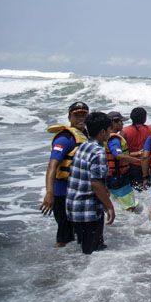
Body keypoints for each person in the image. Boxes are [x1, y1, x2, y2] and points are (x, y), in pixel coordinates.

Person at [40, 101, 89, 247]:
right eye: (77, 115)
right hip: (62, 193)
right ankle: (58, 258)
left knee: (79, 233)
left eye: (84, 115)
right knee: (64, 235)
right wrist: (50, 193)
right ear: (69, 117)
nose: (81, 118)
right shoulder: (64, 138)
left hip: (78, 192)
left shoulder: (85, 135)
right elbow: (52, 165)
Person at [66, 111, 115, 254]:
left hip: (74, 206)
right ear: (102, 132)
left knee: (85, 251)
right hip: (88, 209)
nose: (110, 132)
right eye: (109, 129)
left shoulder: (83, 145)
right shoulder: (98, 152)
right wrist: (110, 206)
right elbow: (96, 184)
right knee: (93, 251)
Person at [105, 112, 142, 211]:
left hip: (111, 177)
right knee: (130, 206)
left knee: (117, 203)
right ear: (113, 123)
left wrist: (136, 153)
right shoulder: (114, 139)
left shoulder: (105, 137)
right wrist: (138, 161)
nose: (122, 124)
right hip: (118, 178)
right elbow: (118, 155)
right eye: (121, 121)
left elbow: (117, 155)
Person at [122, 107, 151, 188]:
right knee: (146, 188)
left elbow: (121, 153)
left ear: (131, 117)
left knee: (135, 188)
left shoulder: (124, 131)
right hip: (146, 165)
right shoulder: (150, 129)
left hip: (131, 165)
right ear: (144, 118)